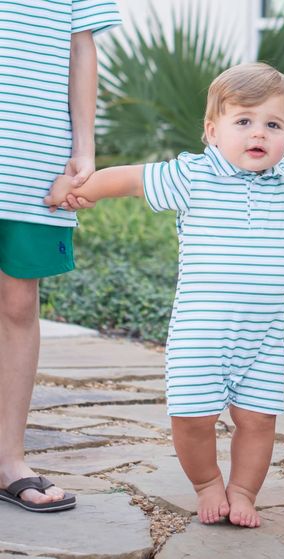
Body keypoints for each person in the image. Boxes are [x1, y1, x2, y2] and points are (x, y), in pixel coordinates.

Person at [44, 62, 284, 527]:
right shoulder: (193, 177)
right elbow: (131, 179)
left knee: (259, 420)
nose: (258, 133)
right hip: (200, 333)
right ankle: (207, 484)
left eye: (273, 124)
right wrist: (83, 189)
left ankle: (243, 491)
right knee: (192, 419)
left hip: (262, 336)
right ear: (212, 130)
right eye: (243, 121)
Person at [0, 0, 121, 512]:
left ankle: (8, 459)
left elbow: (81, 46)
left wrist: (85, 149)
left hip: (32, 159)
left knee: (18, 303)